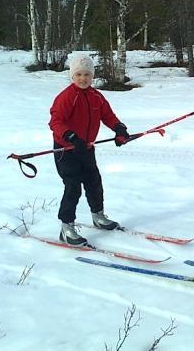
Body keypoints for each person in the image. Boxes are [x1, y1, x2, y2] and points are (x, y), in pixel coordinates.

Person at [49, 54, 130, 245]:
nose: (83, 78)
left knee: (94, 182)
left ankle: (98, 215)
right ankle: (66, 227)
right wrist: (70, 136)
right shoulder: (67, 97)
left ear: (92, 76)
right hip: (66, 149)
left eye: (87, 74)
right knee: (73, 187)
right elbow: (55, 122)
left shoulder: (96, 96)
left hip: (86, 148)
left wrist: (119, 128)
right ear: (72, 76)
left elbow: (108, 115)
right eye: (78, 74)